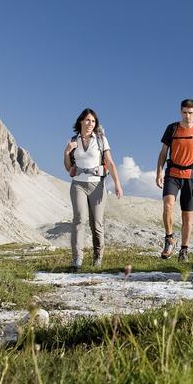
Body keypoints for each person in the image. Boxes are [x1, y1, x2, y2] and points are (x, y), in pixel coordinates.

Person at [64, 108, 123, 269]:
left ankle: (97, 258)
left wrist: (117, 184)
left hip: (97, 184)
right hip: (78, 184)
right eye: (88, 120)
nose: (90, 123)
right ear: (81, 121)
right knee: (79, 219)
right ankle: (77, 259)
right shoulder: (73, 140)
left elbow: (109, 162)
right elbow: (69, 168)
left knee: (96, 223)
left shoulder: (101, 139)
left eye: (93, 121)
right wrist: (66, 152)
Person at [155, 98, 193, 261]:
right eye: (184, 112)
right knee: (168, 204)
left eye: (190, 113)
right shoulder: (172, 129)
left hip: (191, 176)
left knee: (187, 216)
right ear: (180, 112)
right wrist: (159, 172)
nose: (187, 116)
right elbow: (163, 152)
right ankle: (169, 239)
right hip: (172, 173)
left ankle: (184, 250)